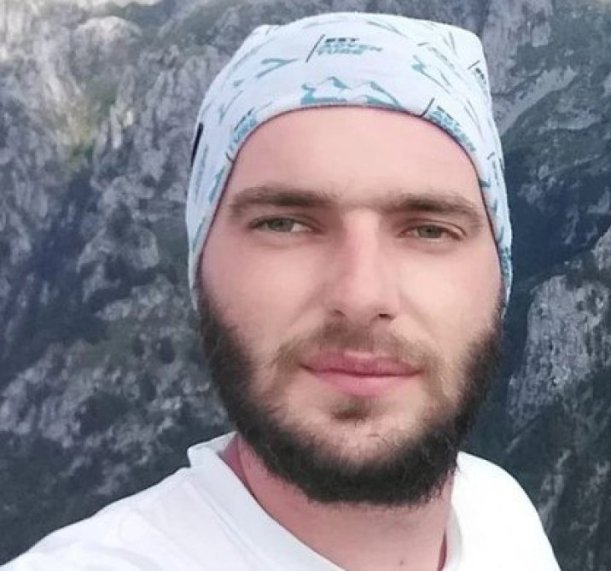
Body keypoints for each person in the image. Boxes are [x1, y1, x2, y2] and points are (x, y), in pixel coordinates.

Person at [3, 12, 559, 571]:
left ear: (500, 273)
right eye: (285, 224)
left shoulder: (498, 513)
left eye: (430, 230)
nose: (361, 295)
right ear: (200, 266)